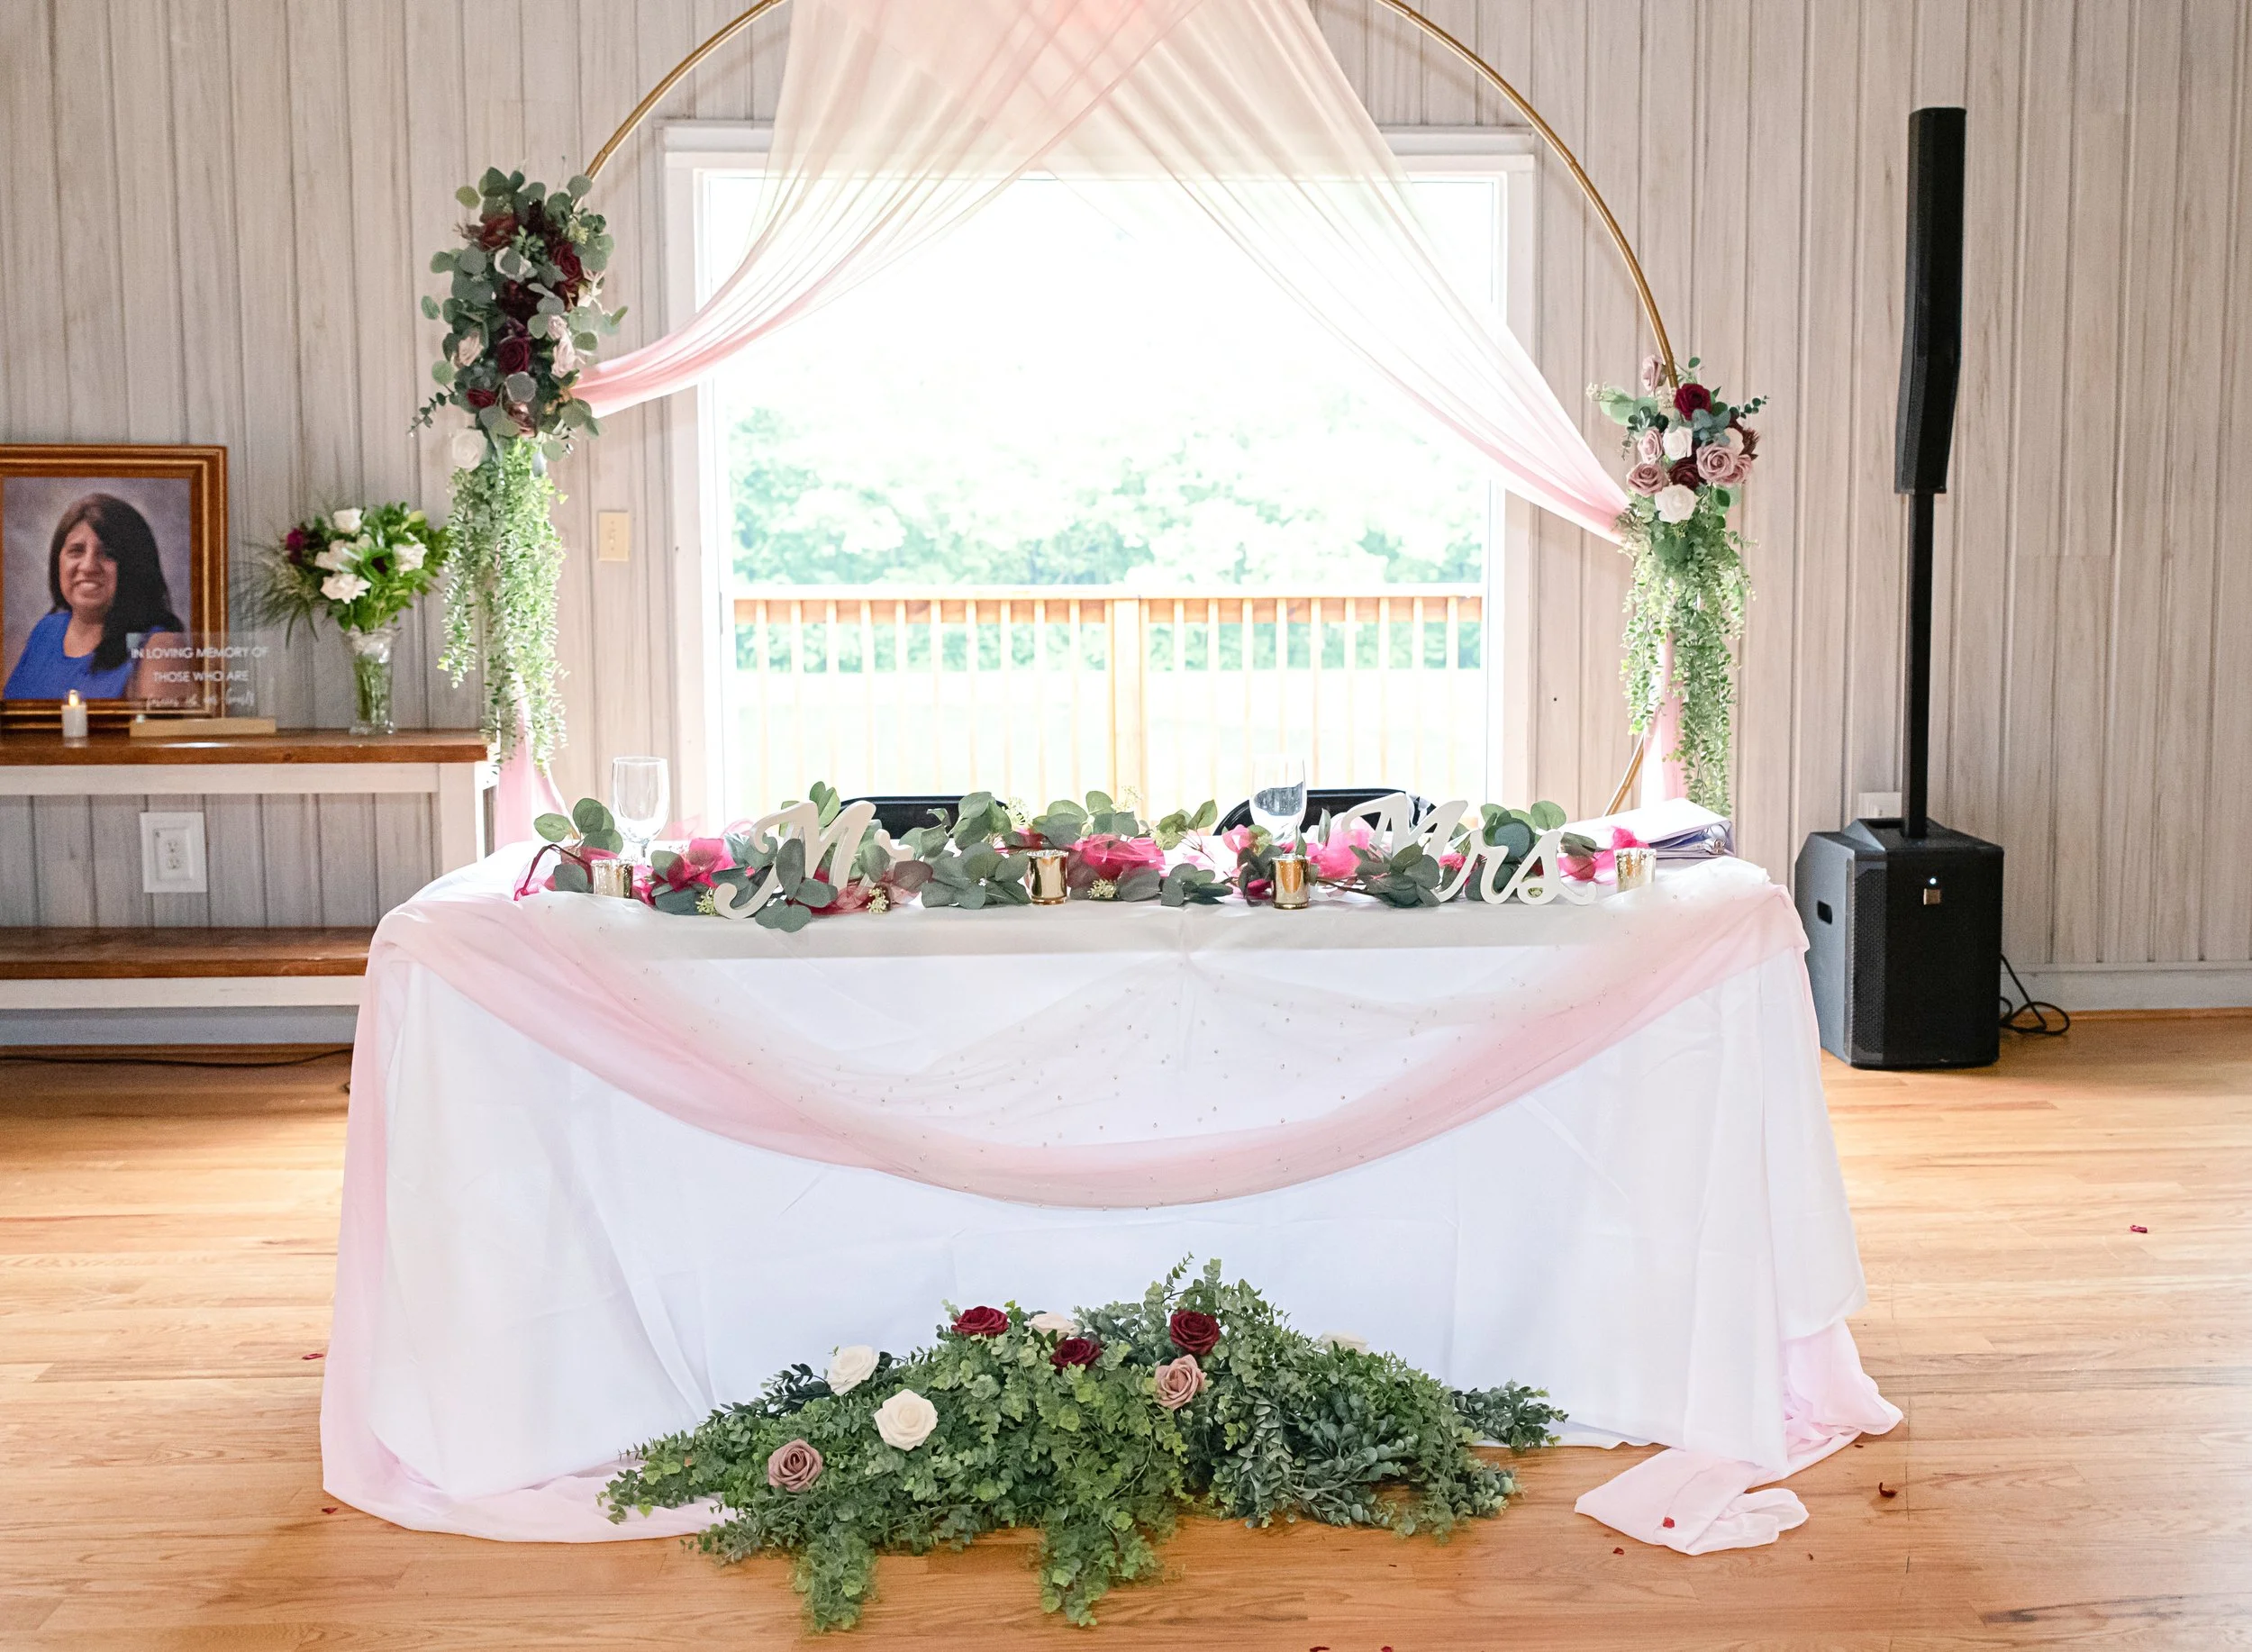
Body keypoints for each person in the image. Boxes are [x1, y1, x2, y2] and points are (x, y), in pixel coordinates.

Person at [4, 493, 186, 701]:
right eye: (76, 551)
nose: (88, 566)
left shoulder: (159, 648)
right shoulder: (46, 631)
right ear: (58, 561)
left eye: (108, 553)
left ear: (136, 566)